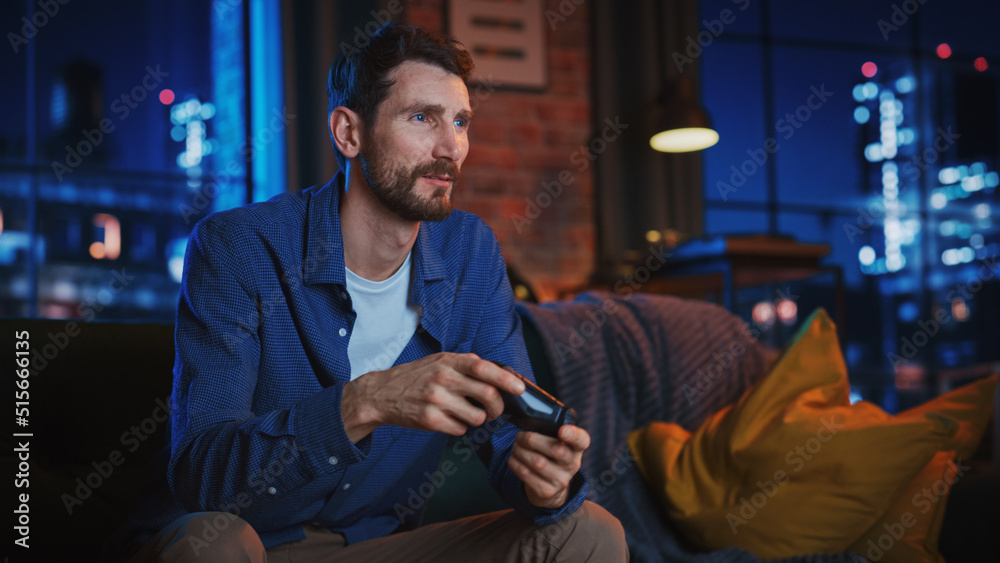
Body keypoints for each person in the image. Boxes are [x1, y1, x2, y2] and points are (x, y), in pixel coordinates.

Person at [110, 22, 627, 562]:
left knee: (588, 530)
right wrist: (369, 401)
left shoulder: (469, 252)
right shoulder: (238, 247)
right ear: (348, 133)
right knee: (213, 543)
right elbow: (204, 474)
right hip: (246, 545)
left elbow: (506, 440)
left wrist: (545, 483)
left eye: (461, 122)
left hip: (373, 548)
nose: (451, 147)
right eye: (422, 118)